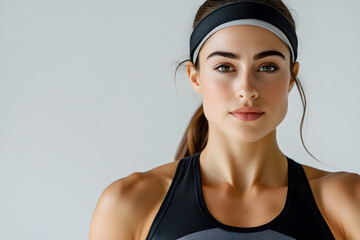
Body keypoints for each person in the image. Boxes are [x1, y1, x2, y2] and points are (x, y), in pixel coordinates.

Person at [89, 0, 360, 239]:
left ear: (291, 76)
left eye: (267, 67)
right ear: (195, 77)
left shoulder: (348, 202)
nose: (247, 88)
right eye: (224, 67)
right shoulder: (129, 205)